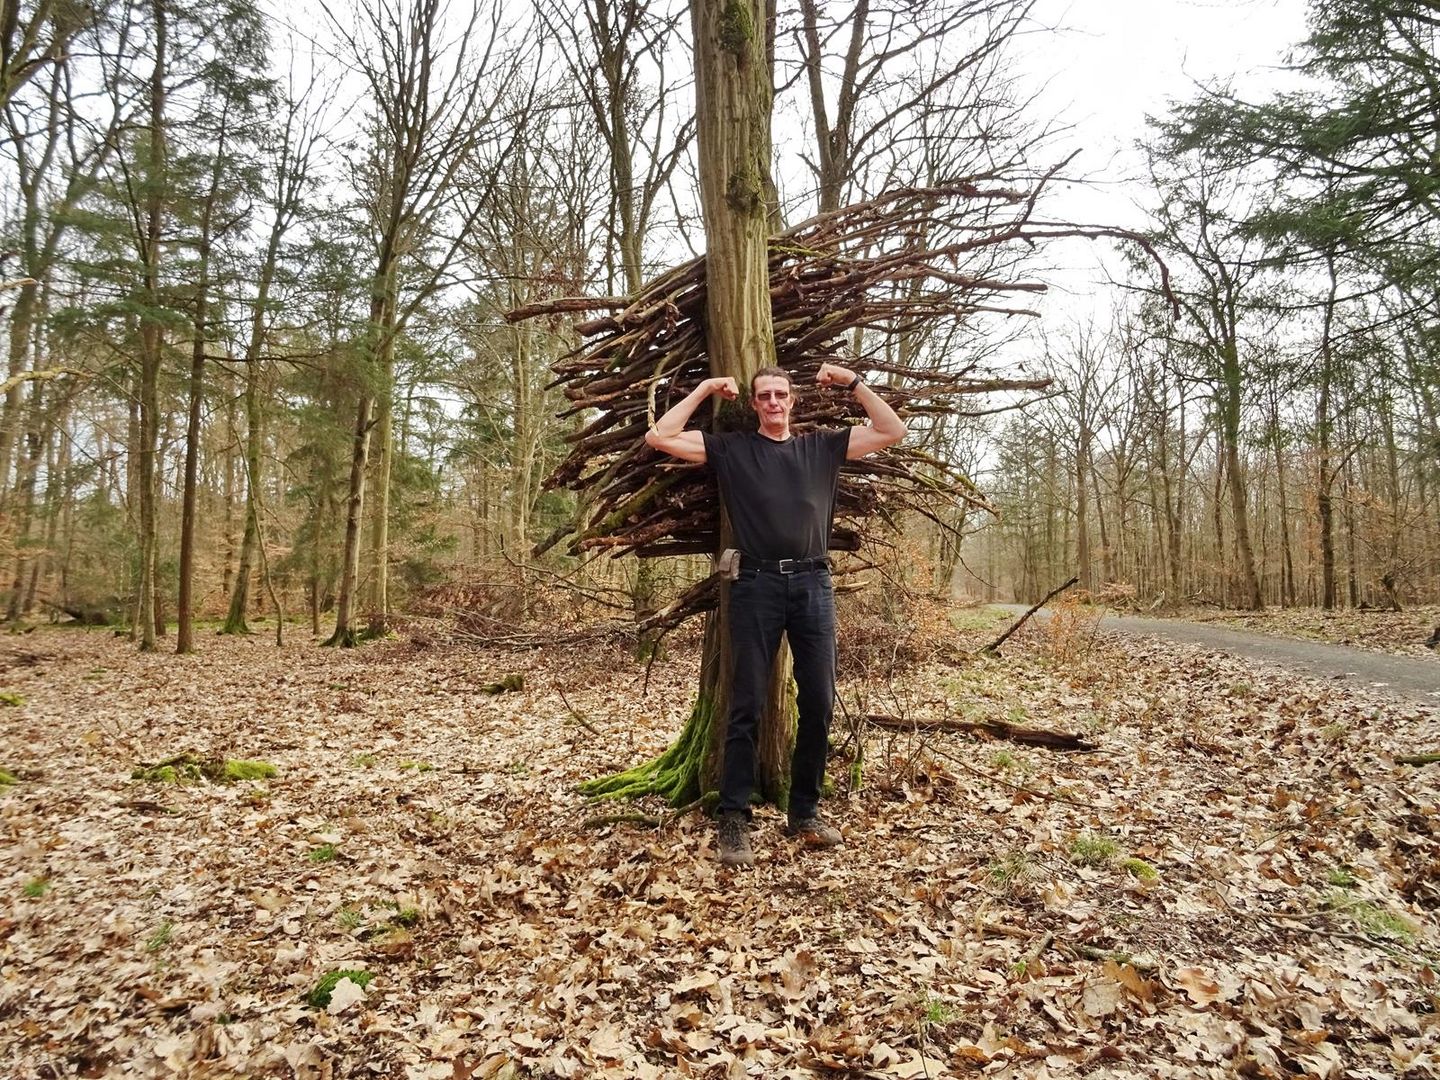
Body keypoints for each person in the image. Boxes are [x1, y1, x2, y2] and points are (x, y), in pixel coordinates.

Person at [644, 362, 907, 866]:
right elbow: (661, 437)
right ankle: (734, 818)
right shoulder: (733, 449)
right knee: (746, 704)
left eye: (780, 394)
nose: (772, 402)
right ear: (754, 404)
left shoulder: (822, 447)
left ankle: (804, 811)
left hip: (813, 585)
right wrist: (702, 388)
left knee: (820, 702)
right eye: (763, 395)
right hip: (755, 584)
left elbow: (892, 430)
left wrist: (852, 382)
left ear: (793, 401)